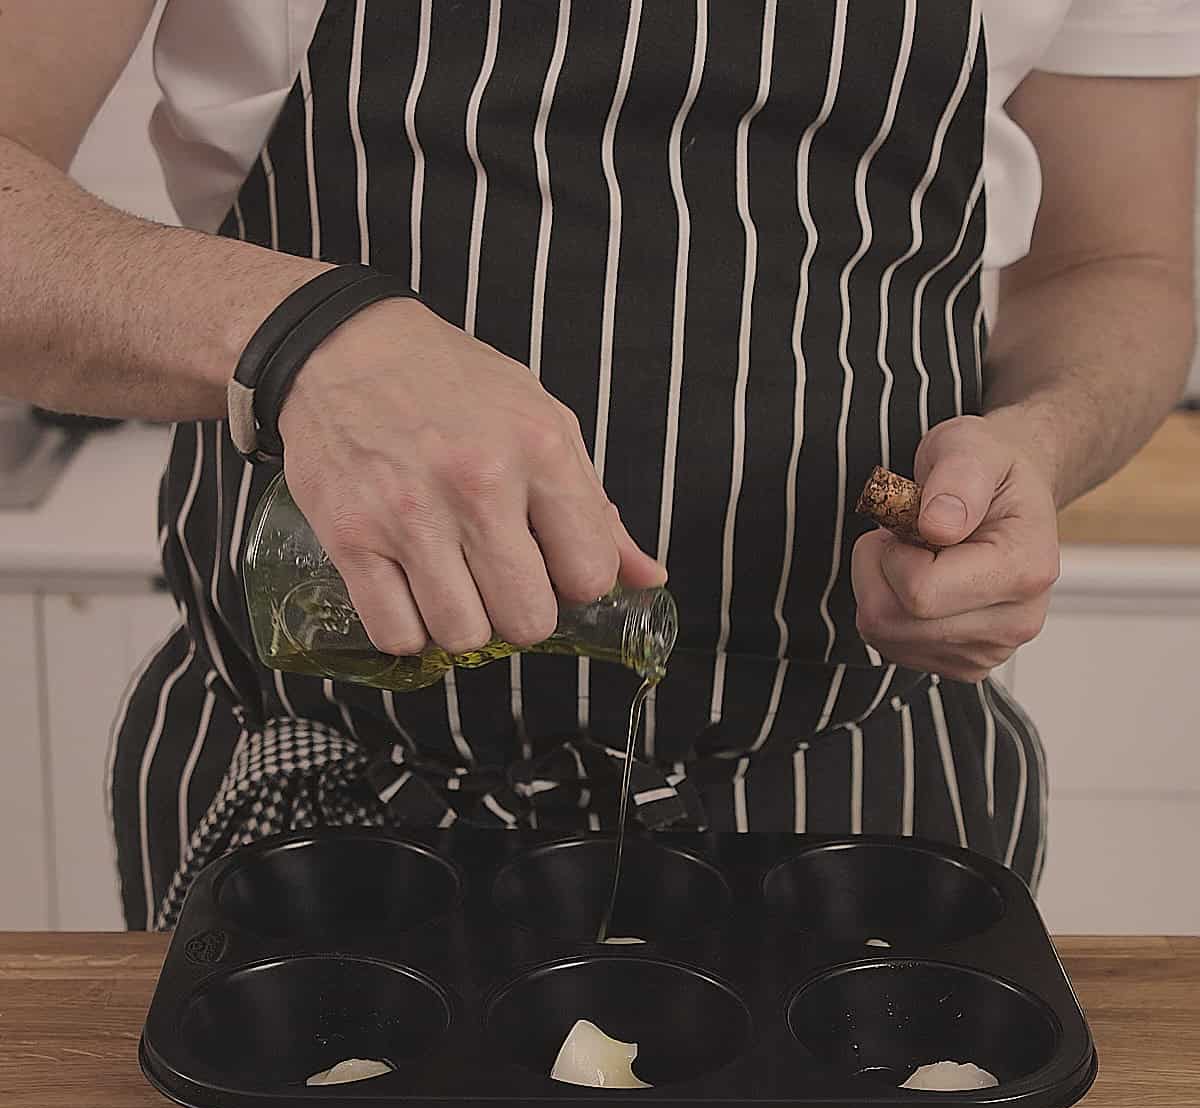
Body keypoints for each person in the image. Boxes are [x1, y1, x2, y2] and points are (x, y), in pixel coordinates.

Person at [1, 2, 1195, 931]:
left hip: (863, 789)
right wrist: (299, 333)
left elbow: (1125, 261)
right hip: (326, 798)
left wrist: (1036, 440)